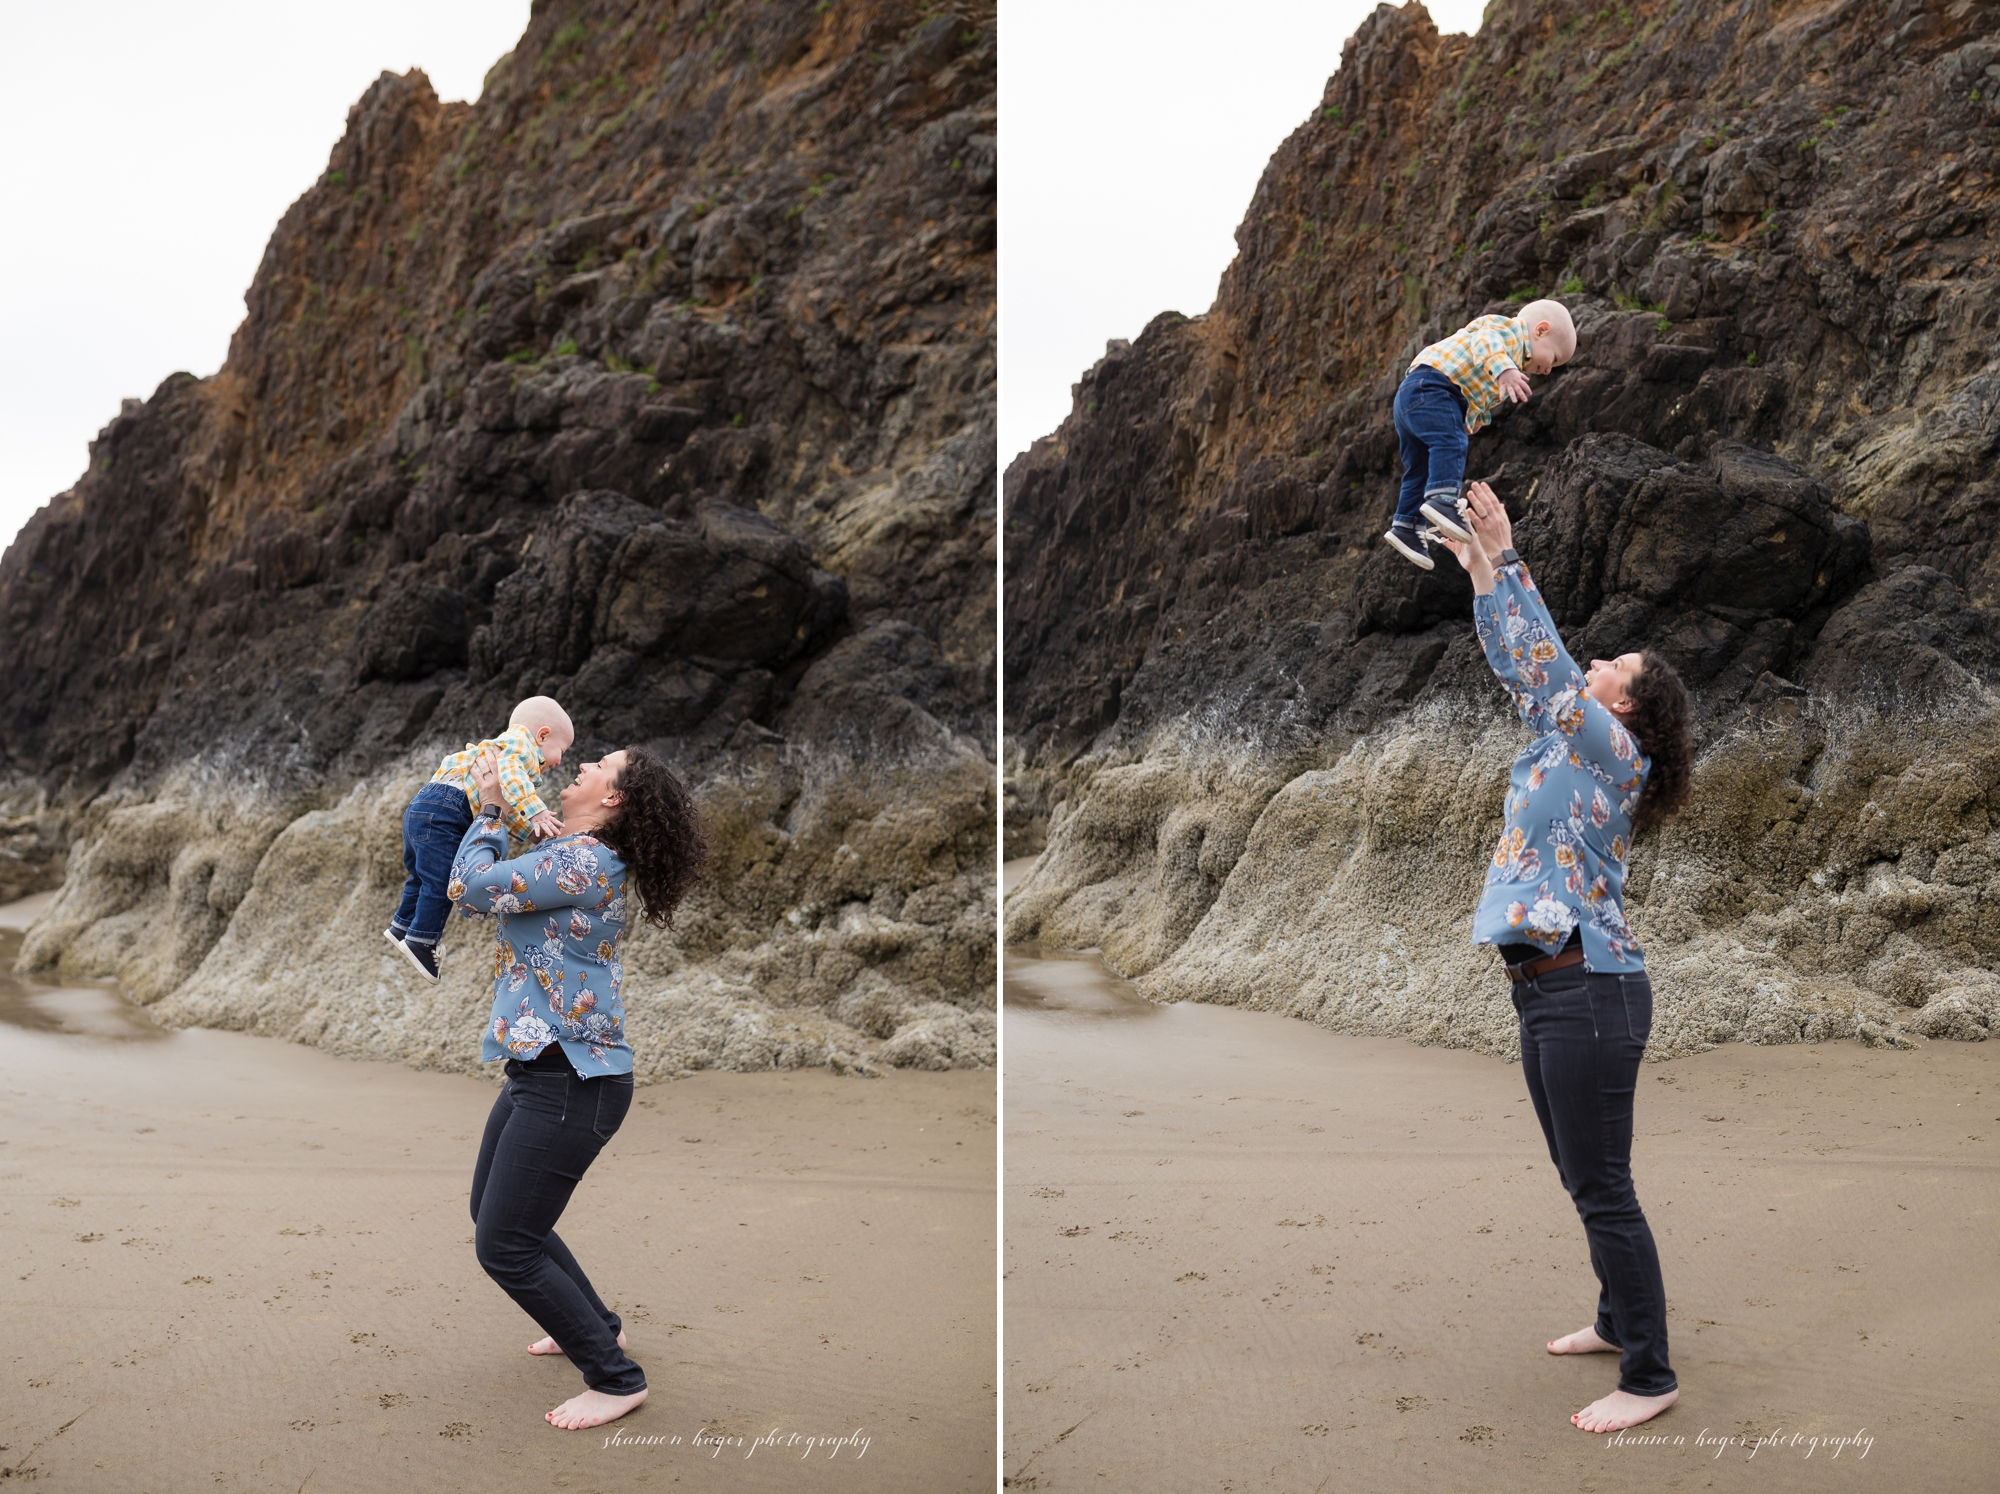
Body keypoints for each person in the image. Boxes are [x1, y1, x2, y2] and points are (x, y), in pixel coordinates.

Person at [1438, 479, 1695, 1435]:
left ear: (1629, 710)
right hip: (1549, 988)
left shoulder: (1615, 757)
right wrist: (1479, 574)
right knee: (1583, 1172)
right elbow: (1522, 668)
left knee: (1602, 1185)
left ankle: (1651, 1372)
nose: (1594, 664)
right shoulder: (1569, 749)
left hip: (1590, 989)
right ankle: (1613, 1317)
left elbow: (1547, 672)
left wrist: (1509, 558)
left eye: (1612, 665)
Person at [449, 742, 710, 1431]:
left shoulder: (585, 860)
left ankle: (615, 1377)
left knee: (505, 1244)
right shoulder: (580, 855)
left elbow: (471, 889)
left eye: (599, 765)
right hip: (549, 1070)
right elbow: (508, 878)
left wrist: (493, 808)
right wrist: (508, 810)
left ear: (614, 797)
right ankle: (596, 1326)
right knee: (500, 1220)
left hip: (572, 1080)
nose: (584, 766)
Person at [384, 696, 573, 983]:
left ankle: (401, 927)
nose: (560, 762)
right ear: (542, 735)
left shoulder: (499, 748)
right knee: (441, 880)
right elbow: (510, 778)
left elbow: (503, 806)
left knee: (421, 876)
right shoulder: (520, 745)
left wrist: (533, 832)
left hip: (422, 806)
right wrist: (537, 812)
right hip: (448, 810)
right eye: (562, 750)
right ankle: (421, 941)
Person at [1385, 300, 1577, 571]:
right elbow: (1485, 343)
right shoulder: (1508, 333)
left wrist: (1471, 420)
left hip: (1412, 397)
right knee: (1451, 442)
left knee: (1420, 467)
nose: (1548, 370)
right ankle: (1442, 500)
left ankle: (1406, 525)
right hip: (1431, 386)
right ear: (1540, 331)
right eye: (1553, 359)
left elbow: (1475, 393)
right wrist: (1504, 370)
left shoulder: (1510, 362)